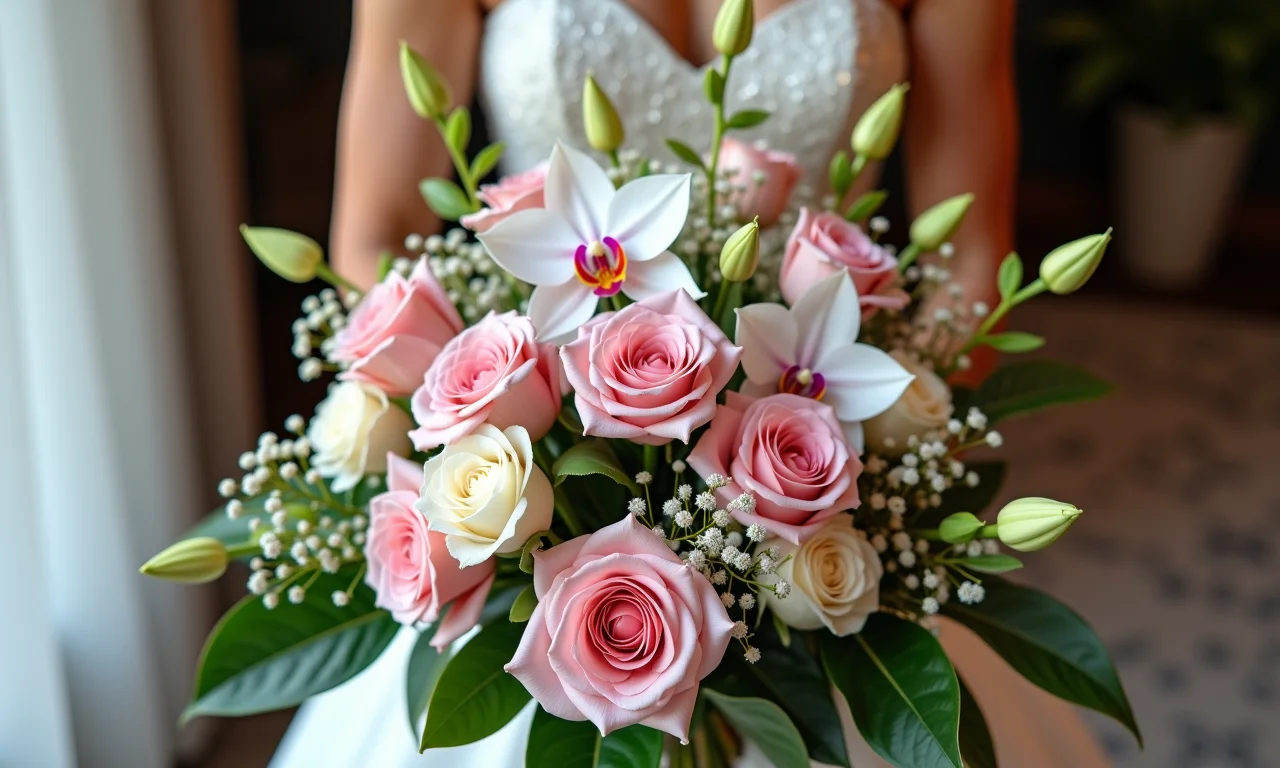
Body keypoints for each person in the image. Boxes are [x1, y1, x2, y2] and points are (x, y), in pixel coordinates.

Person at [273, 1, 1110, 766]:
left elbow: (970, 262)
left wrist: (831, 471)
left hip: (819, 449)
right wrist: (525, 440)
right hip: (548, 449)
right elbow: (374, 243)